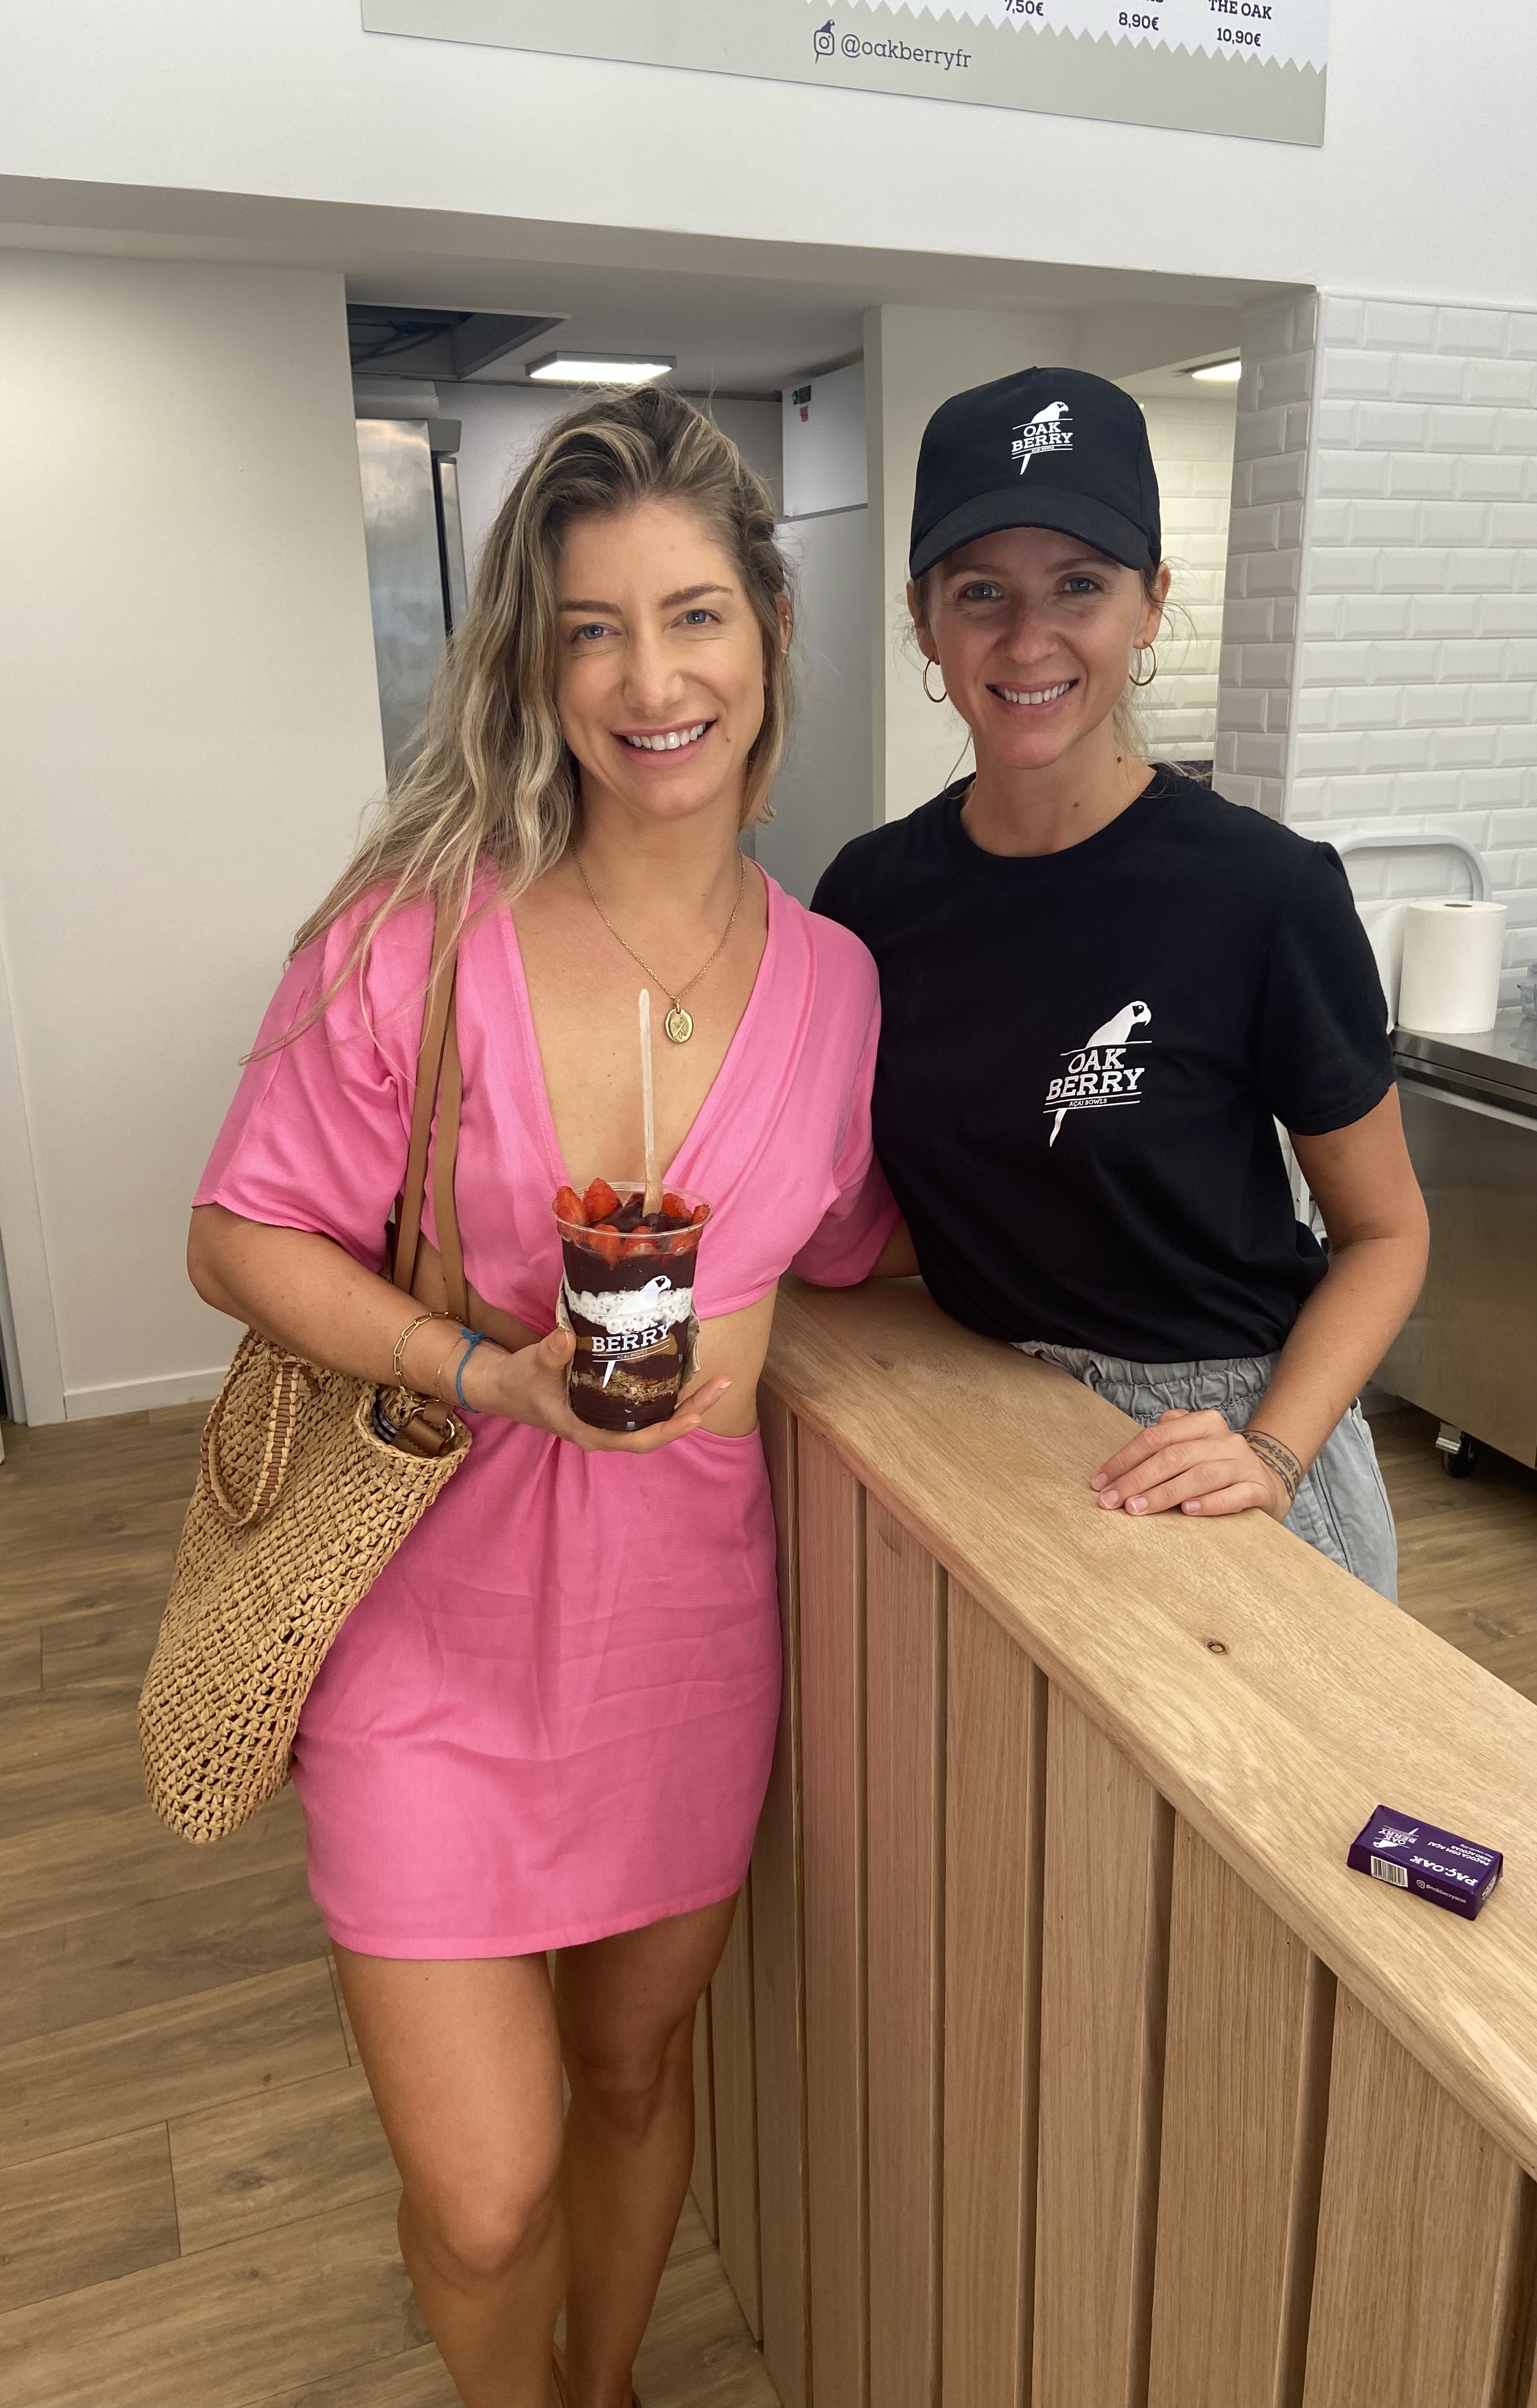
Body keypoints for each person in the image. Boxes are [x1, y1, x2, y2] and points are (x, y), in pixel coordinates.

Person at [186, 388, 896, 2408]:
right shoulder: (412, 938)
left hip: (680, 1641)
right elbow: (237, 1235)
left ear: (768, 631)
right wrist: (475, 1363)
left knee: (634, 2070)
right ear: (532, 663)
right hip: (425, 1637)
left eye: (693, 616)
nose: (650, 681)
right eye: (593, 630)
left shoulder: (837, 985)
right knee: (485, 2192)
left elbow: (852, 1232)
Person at [813, 366, 1428, 1602]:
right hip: (985, 1405)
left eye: (1079, 585)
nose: (1027, 638)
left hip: (1224, 1436)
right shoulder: (869, 899)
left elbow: (1385, 1234)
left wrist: (1272, 1453)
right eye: (980, 591)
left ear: (1151, 604)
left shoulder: (1265, 891)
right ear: (924, 622)